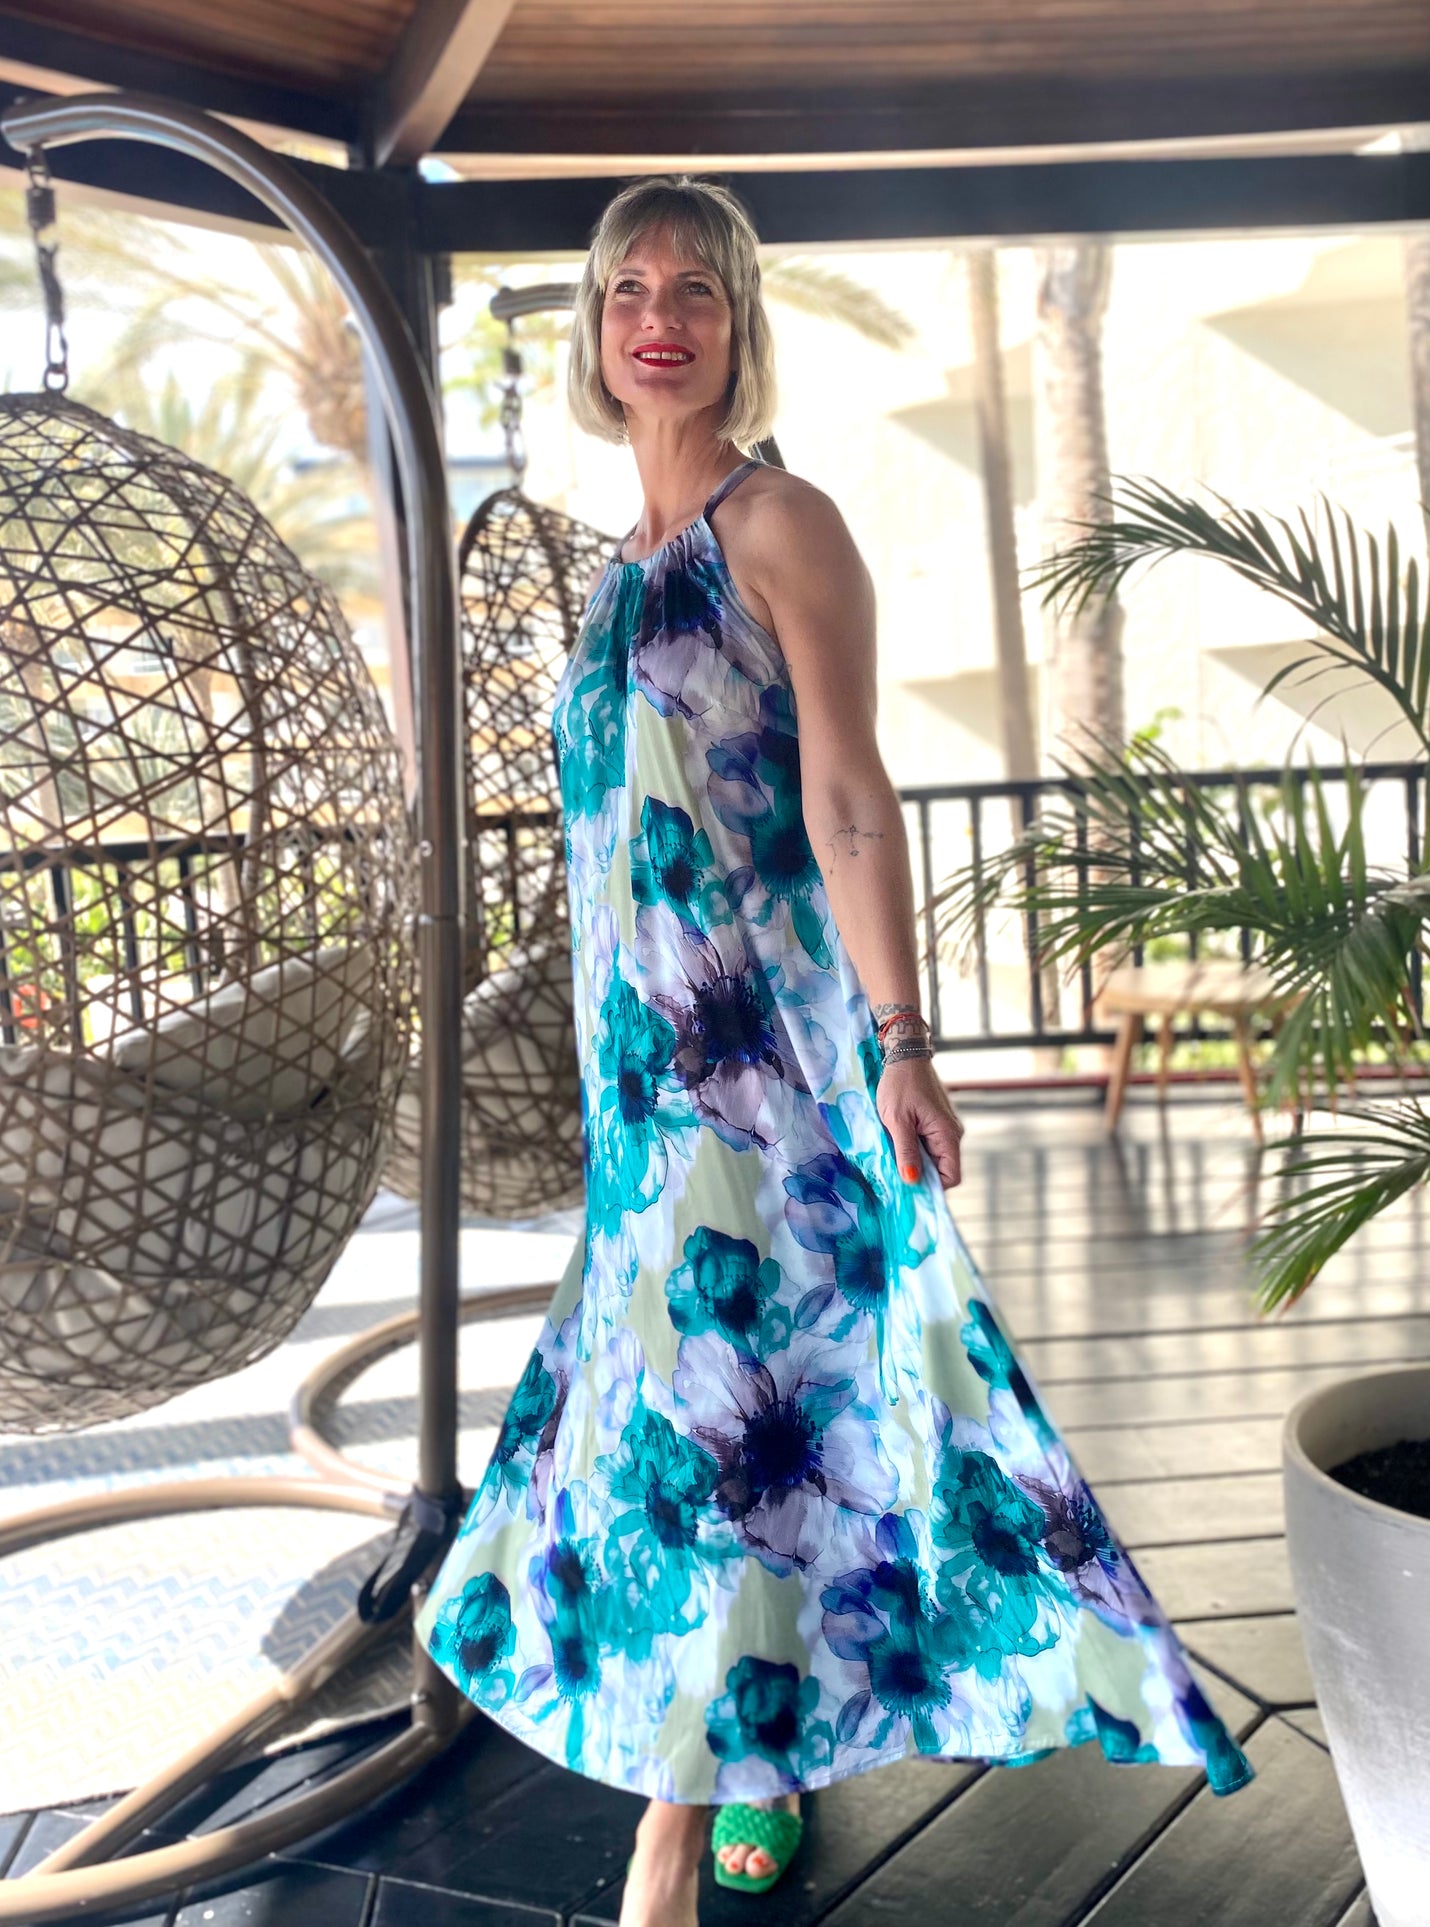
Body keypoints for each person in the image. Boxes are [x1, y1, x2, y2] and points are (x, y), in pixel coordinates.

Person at [416, 175, 1254, 1927]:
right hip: (641, 1089)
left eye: (696, 290)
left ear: (739, 326)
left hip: (762, 1069)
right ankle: (760, 1744)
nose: (659, 317)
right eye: (628, 288)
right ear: (592, 328)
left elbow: (850, 794)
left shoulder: (777, 522)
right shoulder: (614, 571)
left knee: (738, 1412)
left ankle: (675, 1828)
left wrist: (902, 1039)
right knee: (716, 1414)